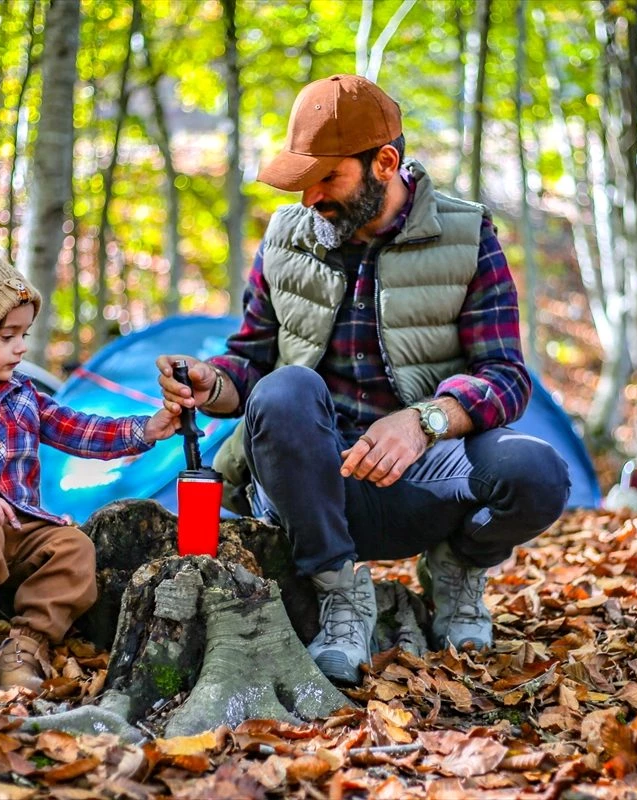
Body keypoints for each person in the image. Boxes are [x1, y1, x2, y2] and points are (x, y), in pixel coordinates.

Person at [156, 75, 571, 686]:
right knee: (285, 388)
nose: (310, 199)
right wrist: (208, 382)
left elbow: (506, 379)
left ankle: (457, 569)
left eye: (328, 178)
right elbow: (248, 365)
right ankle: (340, 593)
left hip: (425, 478)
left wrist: (426, 421)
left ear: (385, 162)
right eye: (303, 181)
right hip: (308, 488)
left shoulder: (467, 234)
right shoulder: (285, 239)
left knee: (538, 472)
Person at [0, 220, 178, 700]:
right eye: (7, 336)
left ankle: (25, 645)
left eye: (24, 333)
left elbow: (75, 428)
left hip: (19, 526)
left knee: (73, 547)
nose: (21, 347)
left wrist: (143, 429)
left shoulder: (22, 393)